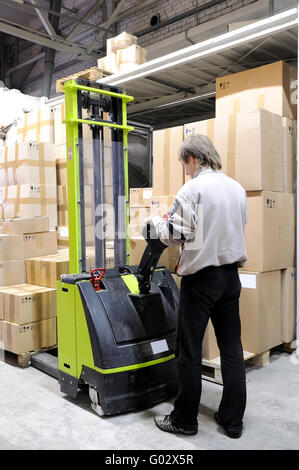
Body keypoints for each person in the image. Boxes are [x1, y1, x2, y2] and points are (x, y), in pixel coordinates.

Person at [146, 135, 248, 439]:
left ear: (192, 158)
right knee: (232, 349)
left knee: (189, 350)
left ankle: (184, 419)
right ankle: (232, 420)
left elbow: (176, 234)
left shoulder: (192, 189)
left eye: (184, 164)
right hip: (231, 278)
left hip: (202, 279)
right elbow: (227, 227)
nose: (185, 170)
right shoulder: (237, 188)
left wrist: (155, 222)